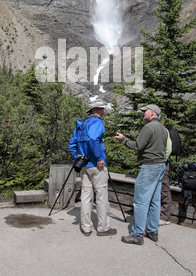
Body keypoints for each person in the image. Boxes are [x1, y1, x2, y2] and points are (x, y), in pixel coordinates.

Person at [113, 104, 167, 245]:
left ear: (153, 113)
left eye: (145, 111)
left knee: (141, 201)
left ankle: (137, 234)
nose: (143, 113)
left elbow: (137, 146)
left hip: (149, 167)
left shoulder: (148, 128)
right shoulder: (163, 128)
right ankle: (152, 231)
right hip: (160, 166)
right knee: (155, 201)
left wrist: (123, 139)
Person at [68, 101, 117, 237]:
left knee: (86, 195)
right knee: (101, 196)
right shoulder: (97, 122)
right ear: (95, 110)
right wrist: (99, 157)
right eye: (101, 109)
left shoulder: (81, 124)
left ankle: (86, 227)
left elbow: (71, 144)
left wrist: (79, 158)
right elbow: (93, 139)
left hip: (84, 165)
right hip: (97, 165)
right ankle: (102, 228)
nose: (103, 112)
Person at [160, 127, 172, 226]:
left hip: (162, 164)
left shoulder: (164, 130)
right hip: (158, 163)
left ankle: (165, 217)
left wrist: (162, 161)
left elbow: (168, 148)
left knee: (164, 190)